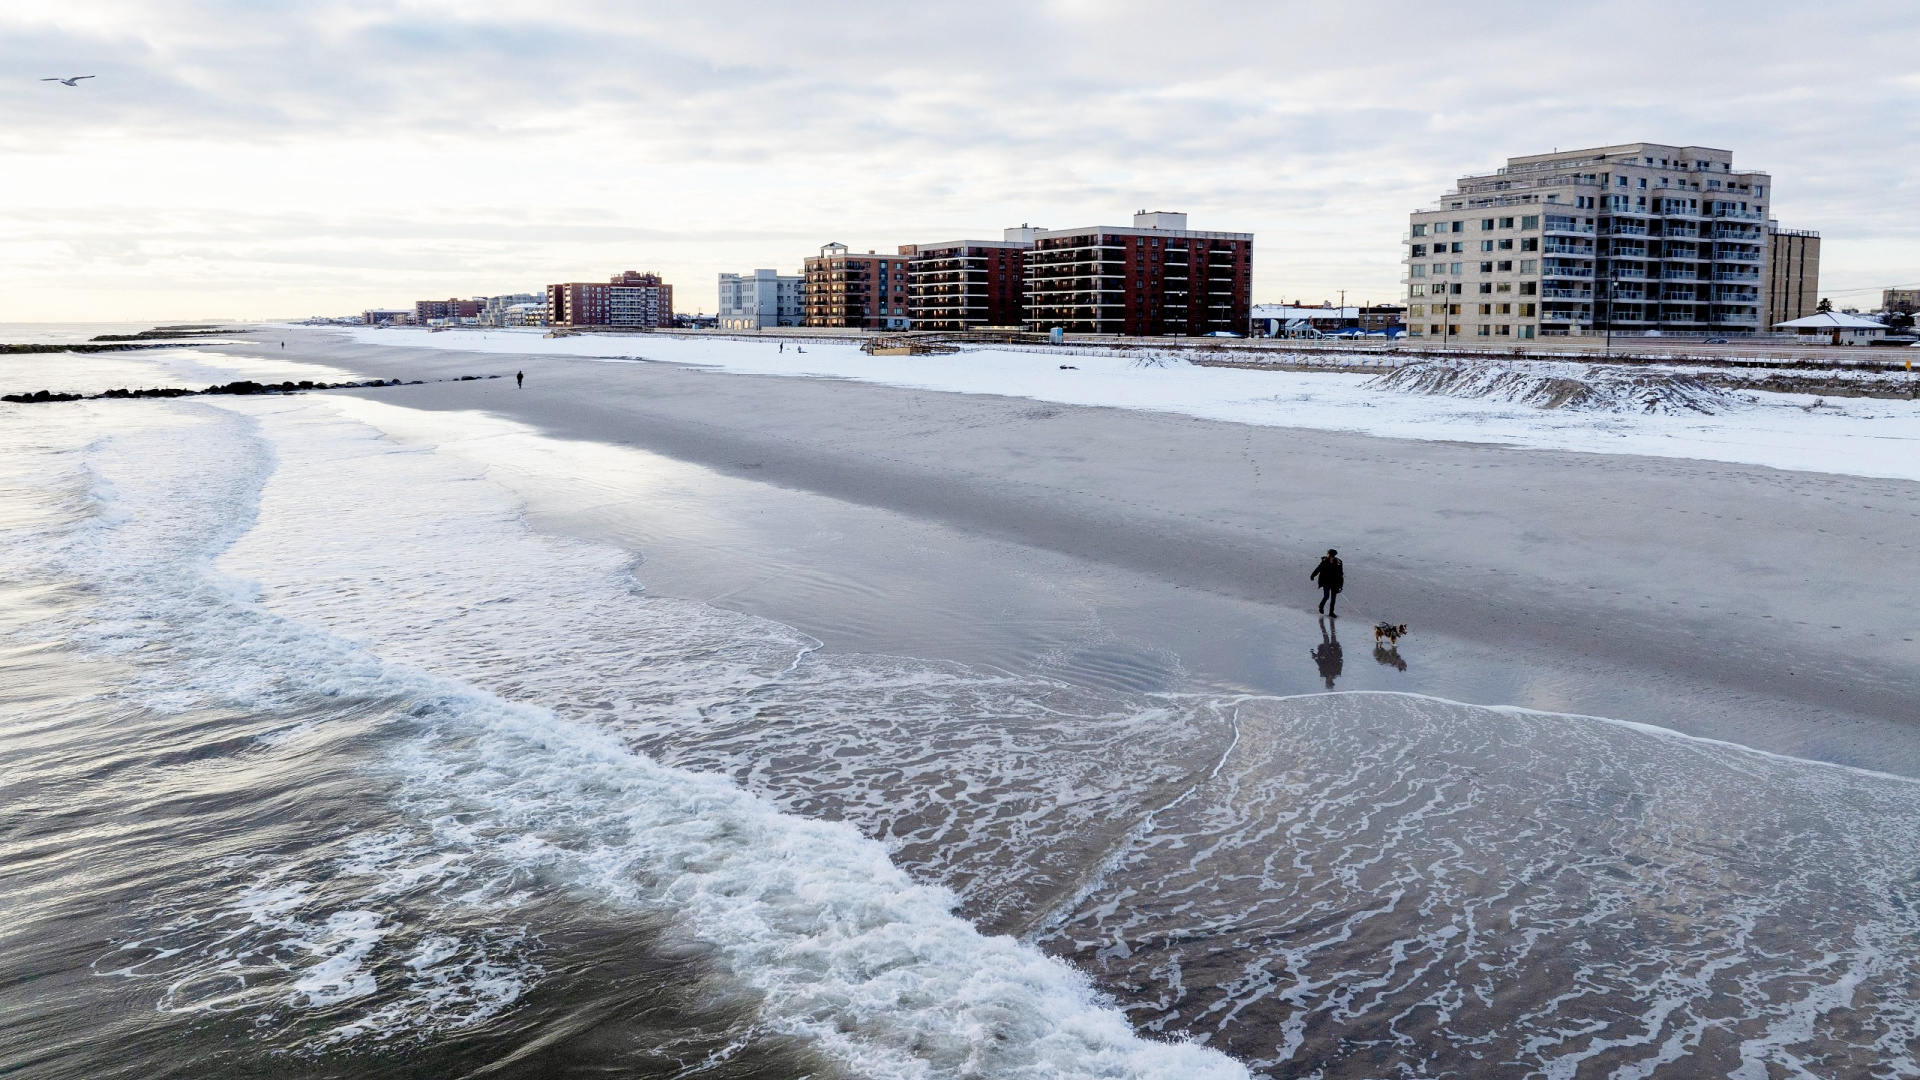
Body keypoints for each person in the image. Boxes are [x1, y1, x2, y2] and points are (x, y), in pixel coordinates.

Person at [1310, 548, 1344, 617]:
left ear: (1331, 555)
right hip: (1326, 582)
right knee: (1326, 596)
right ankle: (1321, 605)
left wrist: (1340, 585)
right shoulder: (1324, 561)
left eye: (1328, 553)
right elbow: (1318, 568)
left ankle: (1331, 612)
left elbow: (1340, 574)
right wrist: (1313, 575)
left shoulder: (1338, 562)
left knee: (1333, 599)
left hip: (1335, 583)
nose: (1327, 554)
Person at [1311, 617, 1343, 689]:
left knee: (1326, 638)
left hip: (1326, 653)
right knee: (1333, 636)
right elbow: (1340, 663)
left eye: (1328, 682)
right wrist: (1340, 655)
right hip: (1335, 654)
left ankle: (1321, 623)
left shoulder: (1323, 673)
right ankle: (1331, 621)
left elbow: (1320, 664)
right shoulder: (1336, 673)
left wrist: (1315, 656)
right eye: (1330, 682)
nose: (1329, 680)